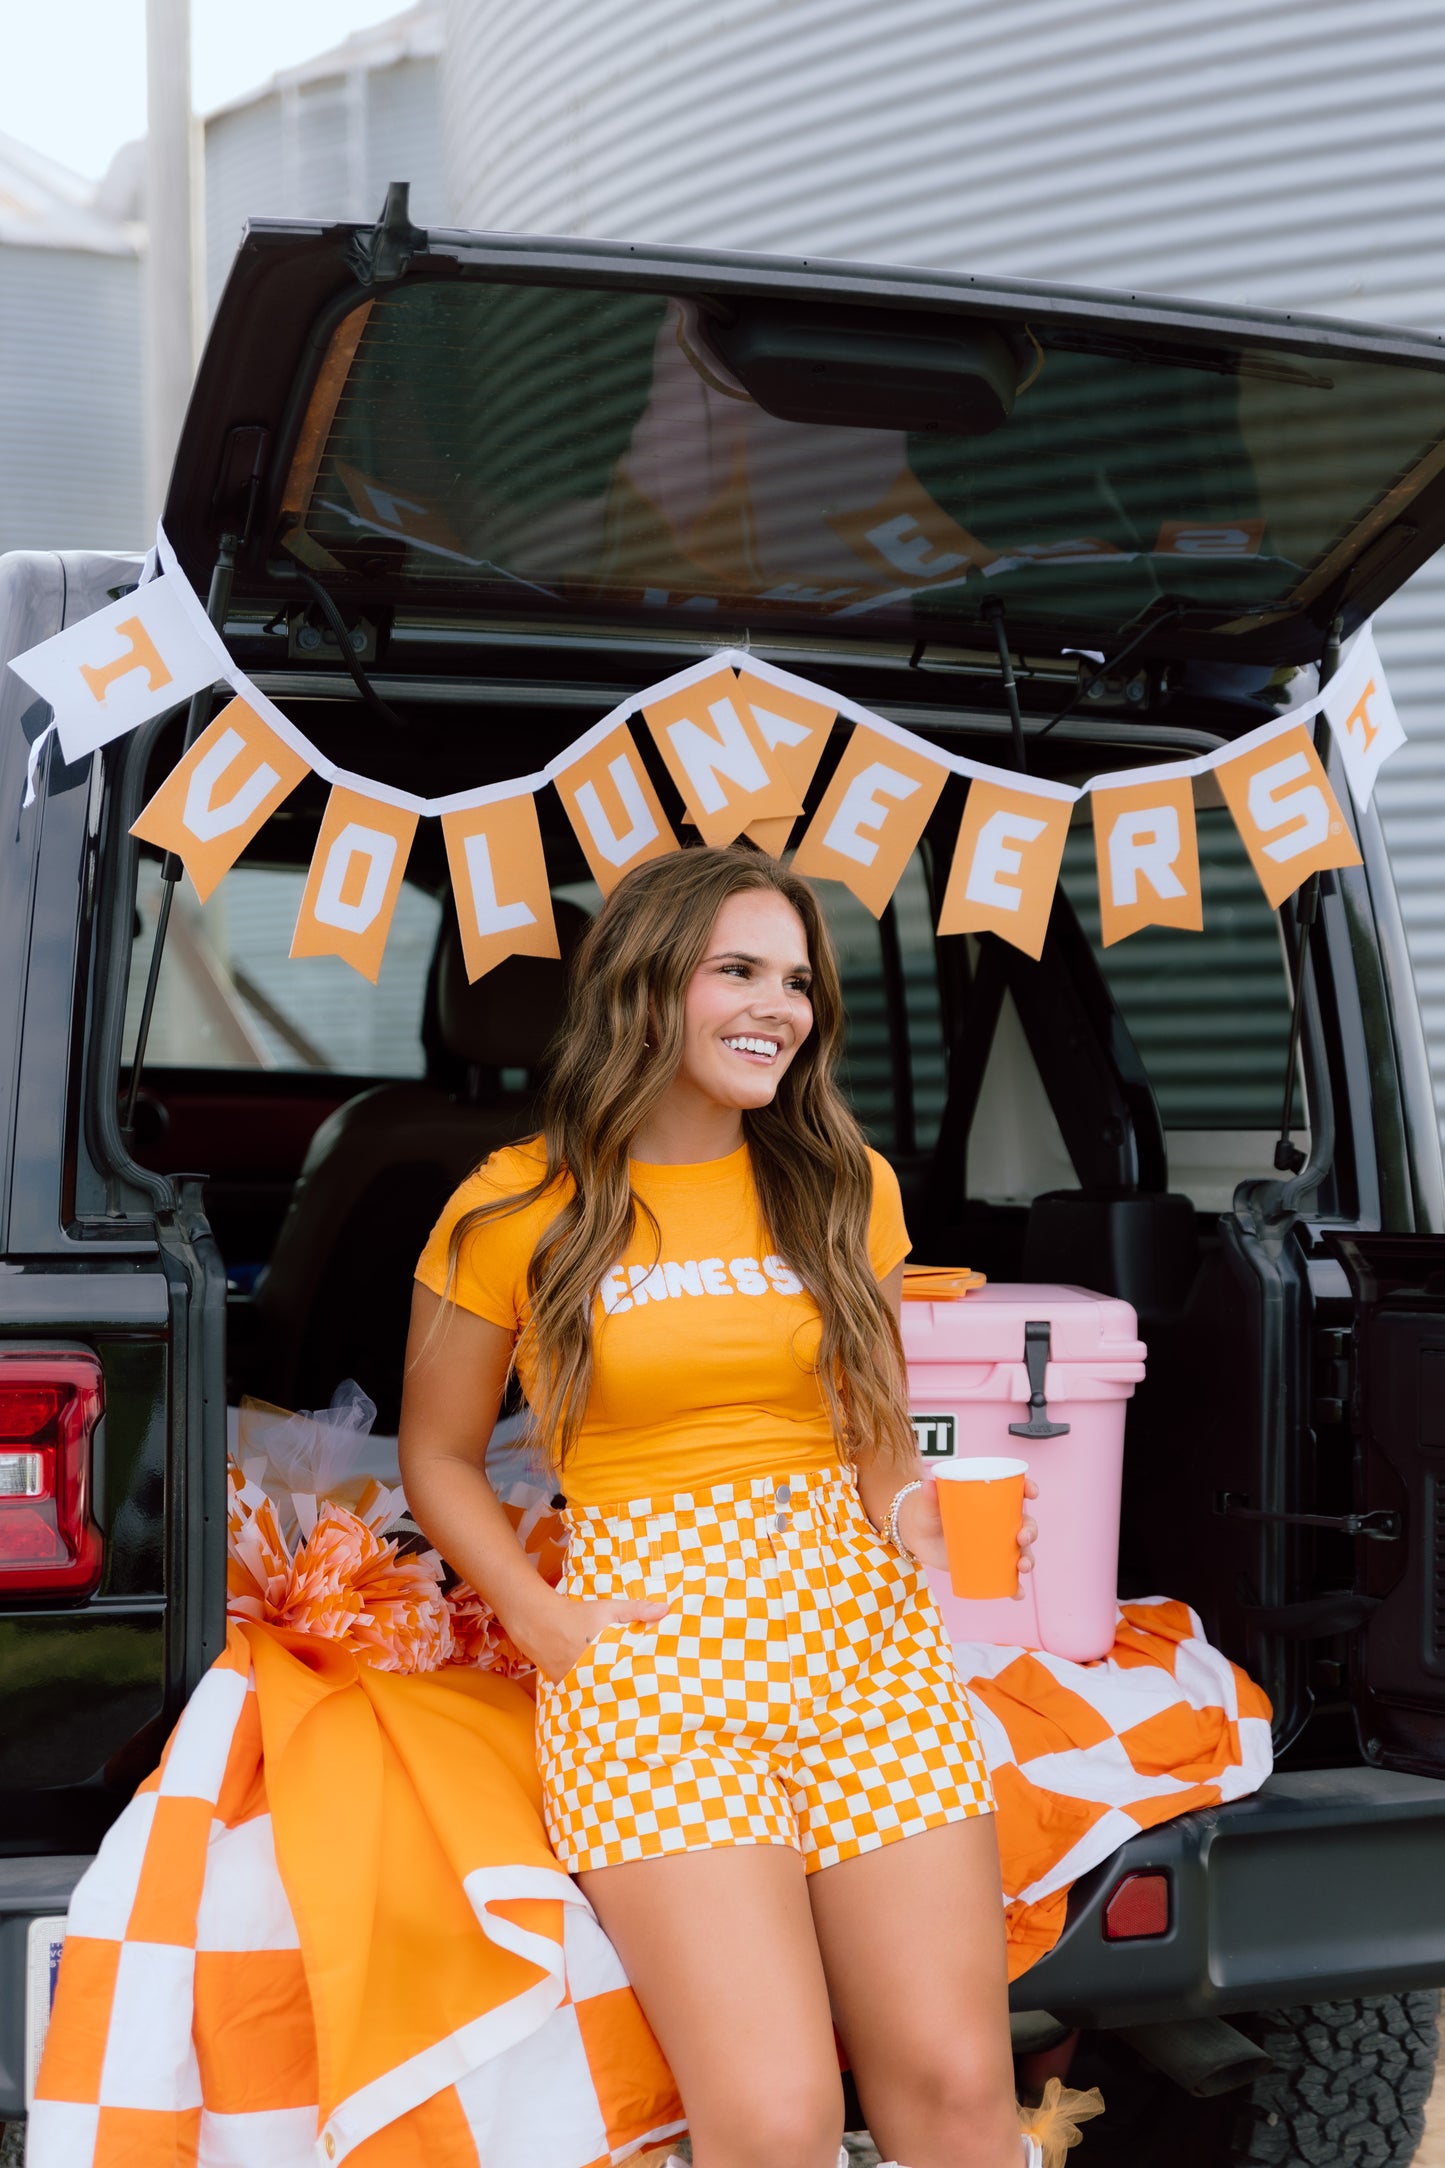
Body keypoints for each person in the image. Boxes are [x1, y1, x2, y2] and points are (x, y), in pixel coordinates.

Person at [401, 845, 1040, 2168]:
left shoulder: (841, 1181)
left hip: (862, 1641)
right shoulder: (515, 1204)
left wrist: (913, 1510)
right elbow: (440, 1454)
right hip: (651, 1662)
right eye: (737, 970)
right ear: (644, 986)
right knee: (773, 2116)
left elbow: (871, 1424)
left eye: (796, 981)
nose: (779, 1006)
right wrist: (537, 1617)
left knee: (959, 2088)